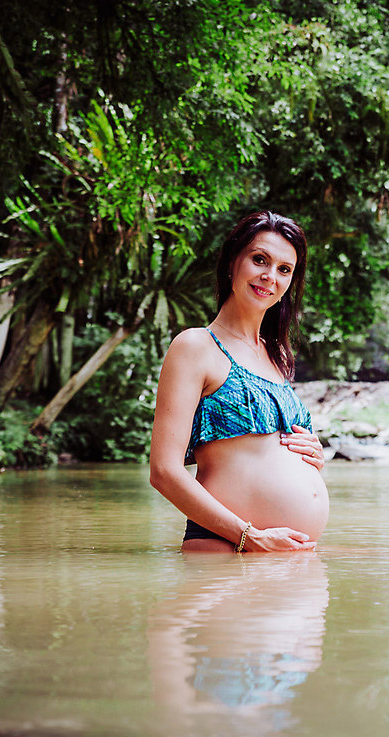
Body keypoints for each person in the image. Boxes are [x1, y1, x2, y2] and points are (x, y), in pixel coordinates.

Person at [150, 211, 328, 553]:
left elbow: (261, 453)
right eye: (259, 259)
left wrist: (312, 457)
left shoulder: (276, 354)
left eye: (284, 269)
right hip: (229, 551)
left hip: (288, 560)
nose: (269, 276)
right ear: (233, 262)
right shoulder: (196, 346)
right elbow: (163, 471)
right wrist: (252, 536)